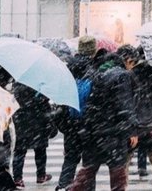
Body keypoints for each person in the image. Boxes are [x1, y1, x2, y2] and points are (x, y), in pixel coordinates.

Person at [70, 50, 139, 191]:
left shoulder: (95, 74)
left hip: (93, 130)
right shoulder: (122, 76)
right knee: (117, 174)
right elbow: (124, 105)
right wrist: (132, 130)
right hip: (114, 131)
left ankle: (73, 189)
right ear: (126, 61)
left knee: (88, 171)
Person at [117, 45, 152, 190]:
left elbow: (127, 102)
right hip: (151, 121)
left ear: (130, 60)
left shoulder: (128, 75)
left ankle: (122, 187)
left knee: (126, 159)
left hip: (135, 123)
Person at [53, 37, 94, 191]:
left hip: (70, 123)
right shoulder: (94, 68)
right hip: (88, 123)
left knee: (70, 159)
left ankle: (64, 186)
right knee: (89, 163)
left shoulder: (68, 68)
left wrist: (64, 125)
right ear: (93, 50)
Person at [12, 83, 54, 188]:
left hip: (21, 123)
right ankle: (41, 175)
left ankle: (17, 178)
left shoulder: (17, 86)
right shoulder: (40, 87)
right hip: (38, 123)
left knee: (20, 151)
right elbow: (45, 107)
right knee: (40, 150)